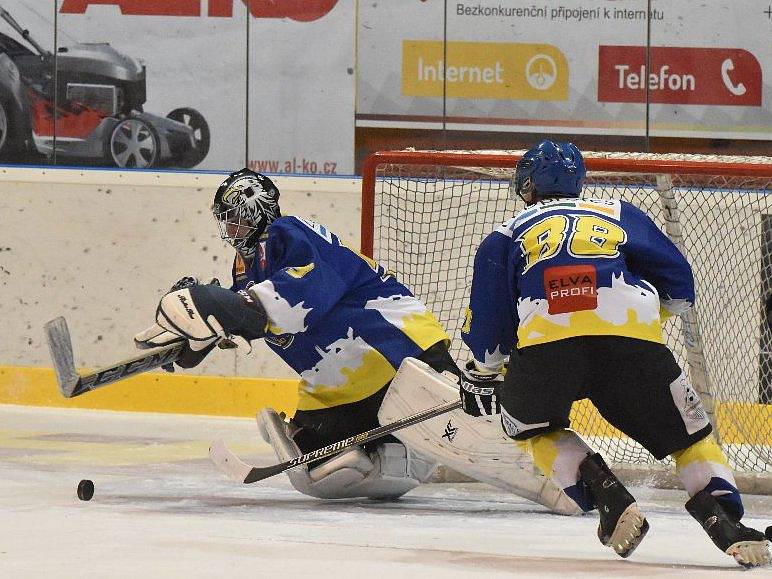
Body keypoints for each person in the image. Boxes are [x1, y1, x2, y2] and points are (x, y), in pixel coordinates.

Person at [132, 168, 576, 512]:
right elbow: (254, 313)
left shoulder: (290, 234)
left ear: (254, 211)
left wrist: (217, 306)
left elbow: (296, 300)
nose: (230, 231)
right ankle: (399, 455)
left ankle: (574, 478)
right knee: (313, 472)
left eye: (234, 219)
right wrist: (208, 329)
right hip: (344, 388)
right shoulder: (244, 272)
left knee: (474, 433)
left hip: (395, 348)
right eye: (224, 223)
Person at [458, 140, 771, 566]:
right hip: (633, 346)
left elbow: (490, 328)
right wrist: (637, 323)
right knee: (691, 439)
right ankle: (726, 520)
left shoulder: (504, 234)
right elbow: (680, 284)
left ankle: (604, 490)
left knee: (529, 428)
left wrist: (483, 372)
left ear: (526, 185)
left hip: (547, 350)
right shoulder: (620, 212)